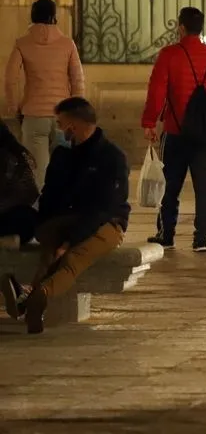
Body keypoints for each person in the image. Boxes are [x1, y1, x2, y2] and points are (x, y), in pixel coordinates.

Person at [0, 97, 130, 334]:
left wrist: (70, 241)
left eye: (60, 124)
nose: (58, 130)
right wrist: (49, 229)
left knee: (71, 259)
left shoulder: (111, 157)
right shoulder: (62, 156)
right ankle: (29, 301)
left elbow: (104, 208)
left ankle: (37, 296)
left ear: (74, 125)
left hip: (106, 223)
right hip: (67, 219)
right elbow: (50, 196)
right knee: (48, 256)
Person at [141, 7, 206, 253]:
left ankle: (167, 234)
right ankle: (201, 239)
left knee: (170, 186)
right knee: (205, 188)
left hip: (176, 132)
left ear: (181, 27)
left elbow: (157, 93)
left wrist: (149, 122)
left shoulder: (169, 55)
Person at [4, 0, 85, 189]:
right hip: (63, 119)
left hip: (33, 116)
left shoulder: (22, 43)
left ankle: (40, 215)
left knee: (37, 172)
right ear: (54, 16)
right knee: (64, 169)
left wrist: (14, 108)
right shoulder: (68, 44)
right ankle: (60, 212)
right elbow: (78, 80)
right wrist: (77, 113)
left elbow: (10, 79)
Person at [0, 120, 39, 248]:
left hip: (10, 214)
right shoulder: (15, 155)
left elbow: (27, 193)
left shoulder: (9, 158)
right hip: (15, 216)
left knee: (26, 217)